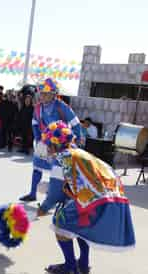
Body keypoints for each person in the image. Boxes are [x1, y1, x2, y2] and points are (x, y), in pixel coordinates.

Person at [37, 121, 135, 274]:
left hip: (94, 200)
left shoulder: (61, 158)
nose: (47, 148)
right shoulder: (78, 152)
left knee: (59, 224)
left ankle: (70, 267)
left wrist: (43, 208)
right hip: (110, 198)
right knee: (79, 228)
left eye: (48, 144)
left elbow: (55, 194)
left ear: (55, 144)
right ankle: (83, 264)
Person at [20, 78, 81, 202]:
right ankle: (32, 193)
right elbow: (35, 123)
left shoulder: (62, 107)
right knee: (37, 167)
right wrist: (38, 139)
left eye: (46, 93)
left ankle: (60, 197)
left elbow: (76, 123)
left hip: (61, 145)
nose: (42, 96)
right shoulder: (38, 108)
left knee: (61, 171)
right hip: (44, 142)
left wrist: (75, 139)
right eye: (41, 93)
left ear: (53, 94)